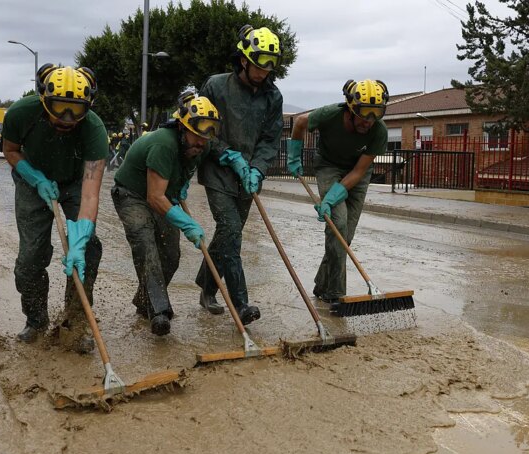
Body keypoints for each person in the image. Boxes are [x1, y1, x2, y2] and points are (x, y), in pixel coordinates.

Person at [2, 64, 109, 352]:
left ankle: (74, 324)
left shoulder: (95, 130)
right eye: (59, 108)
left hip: (75, 182)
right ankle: (36, 320)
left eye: (76, 110)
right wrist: (35, 178)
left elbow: (89, 195)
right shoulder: (20, 113)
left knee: (88, 249)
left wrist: (80, 238)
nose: (67, 118)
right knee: (30, 258)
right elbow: (10, 150)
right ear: (43, 100)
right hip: (32, 177)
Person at [193, 24, 283, 324]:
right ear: (244, 59)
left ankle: (206, 287)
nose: (265, 71)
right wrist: (228, 155)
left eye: (271, 65)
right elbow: (202, 130)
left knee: (228, 235)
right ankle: (241, 304)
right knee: (230, 229)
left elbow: (270, 139)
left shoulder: (273, 97)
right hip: (217, 170)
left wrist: (257, 168)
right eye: (259, 64)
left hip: (248, 177)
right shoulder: (216, 86)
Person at [112, 92, 218, 335]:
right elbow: (154, 197)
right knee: (146, 244)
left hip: (163, 196)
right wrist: (187, 223)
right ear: (182, 127)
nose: (201, 143)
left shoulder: (201, 144)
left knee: (171, 254)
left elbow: (174, 183)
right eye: (196, 136)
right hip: (132, 195)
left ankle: (144, 303)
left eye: (206, 138)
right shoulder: (164, 143)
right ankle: (159, 312)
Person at [286, 79, 389, 310]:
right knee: (338, 225)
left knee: (343, 237)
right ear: (351, 109)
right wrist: (294, 156)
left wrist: (331, 198)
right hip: (328, 166)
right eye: (363, 115)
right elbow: (300, 122)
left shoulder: (379, 131)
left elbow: (358, 172)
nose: (368, 122)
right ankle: (335, 294)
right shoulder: (330, 115)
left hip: (357, 174)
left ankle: (321, 285)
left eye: (375, 116)